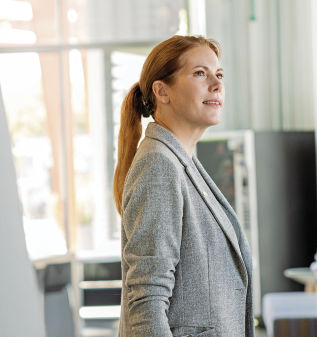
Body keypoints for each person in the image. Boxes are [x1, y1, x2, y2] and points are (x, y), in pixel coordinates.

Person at [114, 35, 254, 337]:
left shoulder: (182, 162)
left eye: (219, 75)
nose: (216, 85)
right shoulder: (159, 166)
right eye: (200, 73)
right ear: (162, 91)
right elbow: (146, 301)